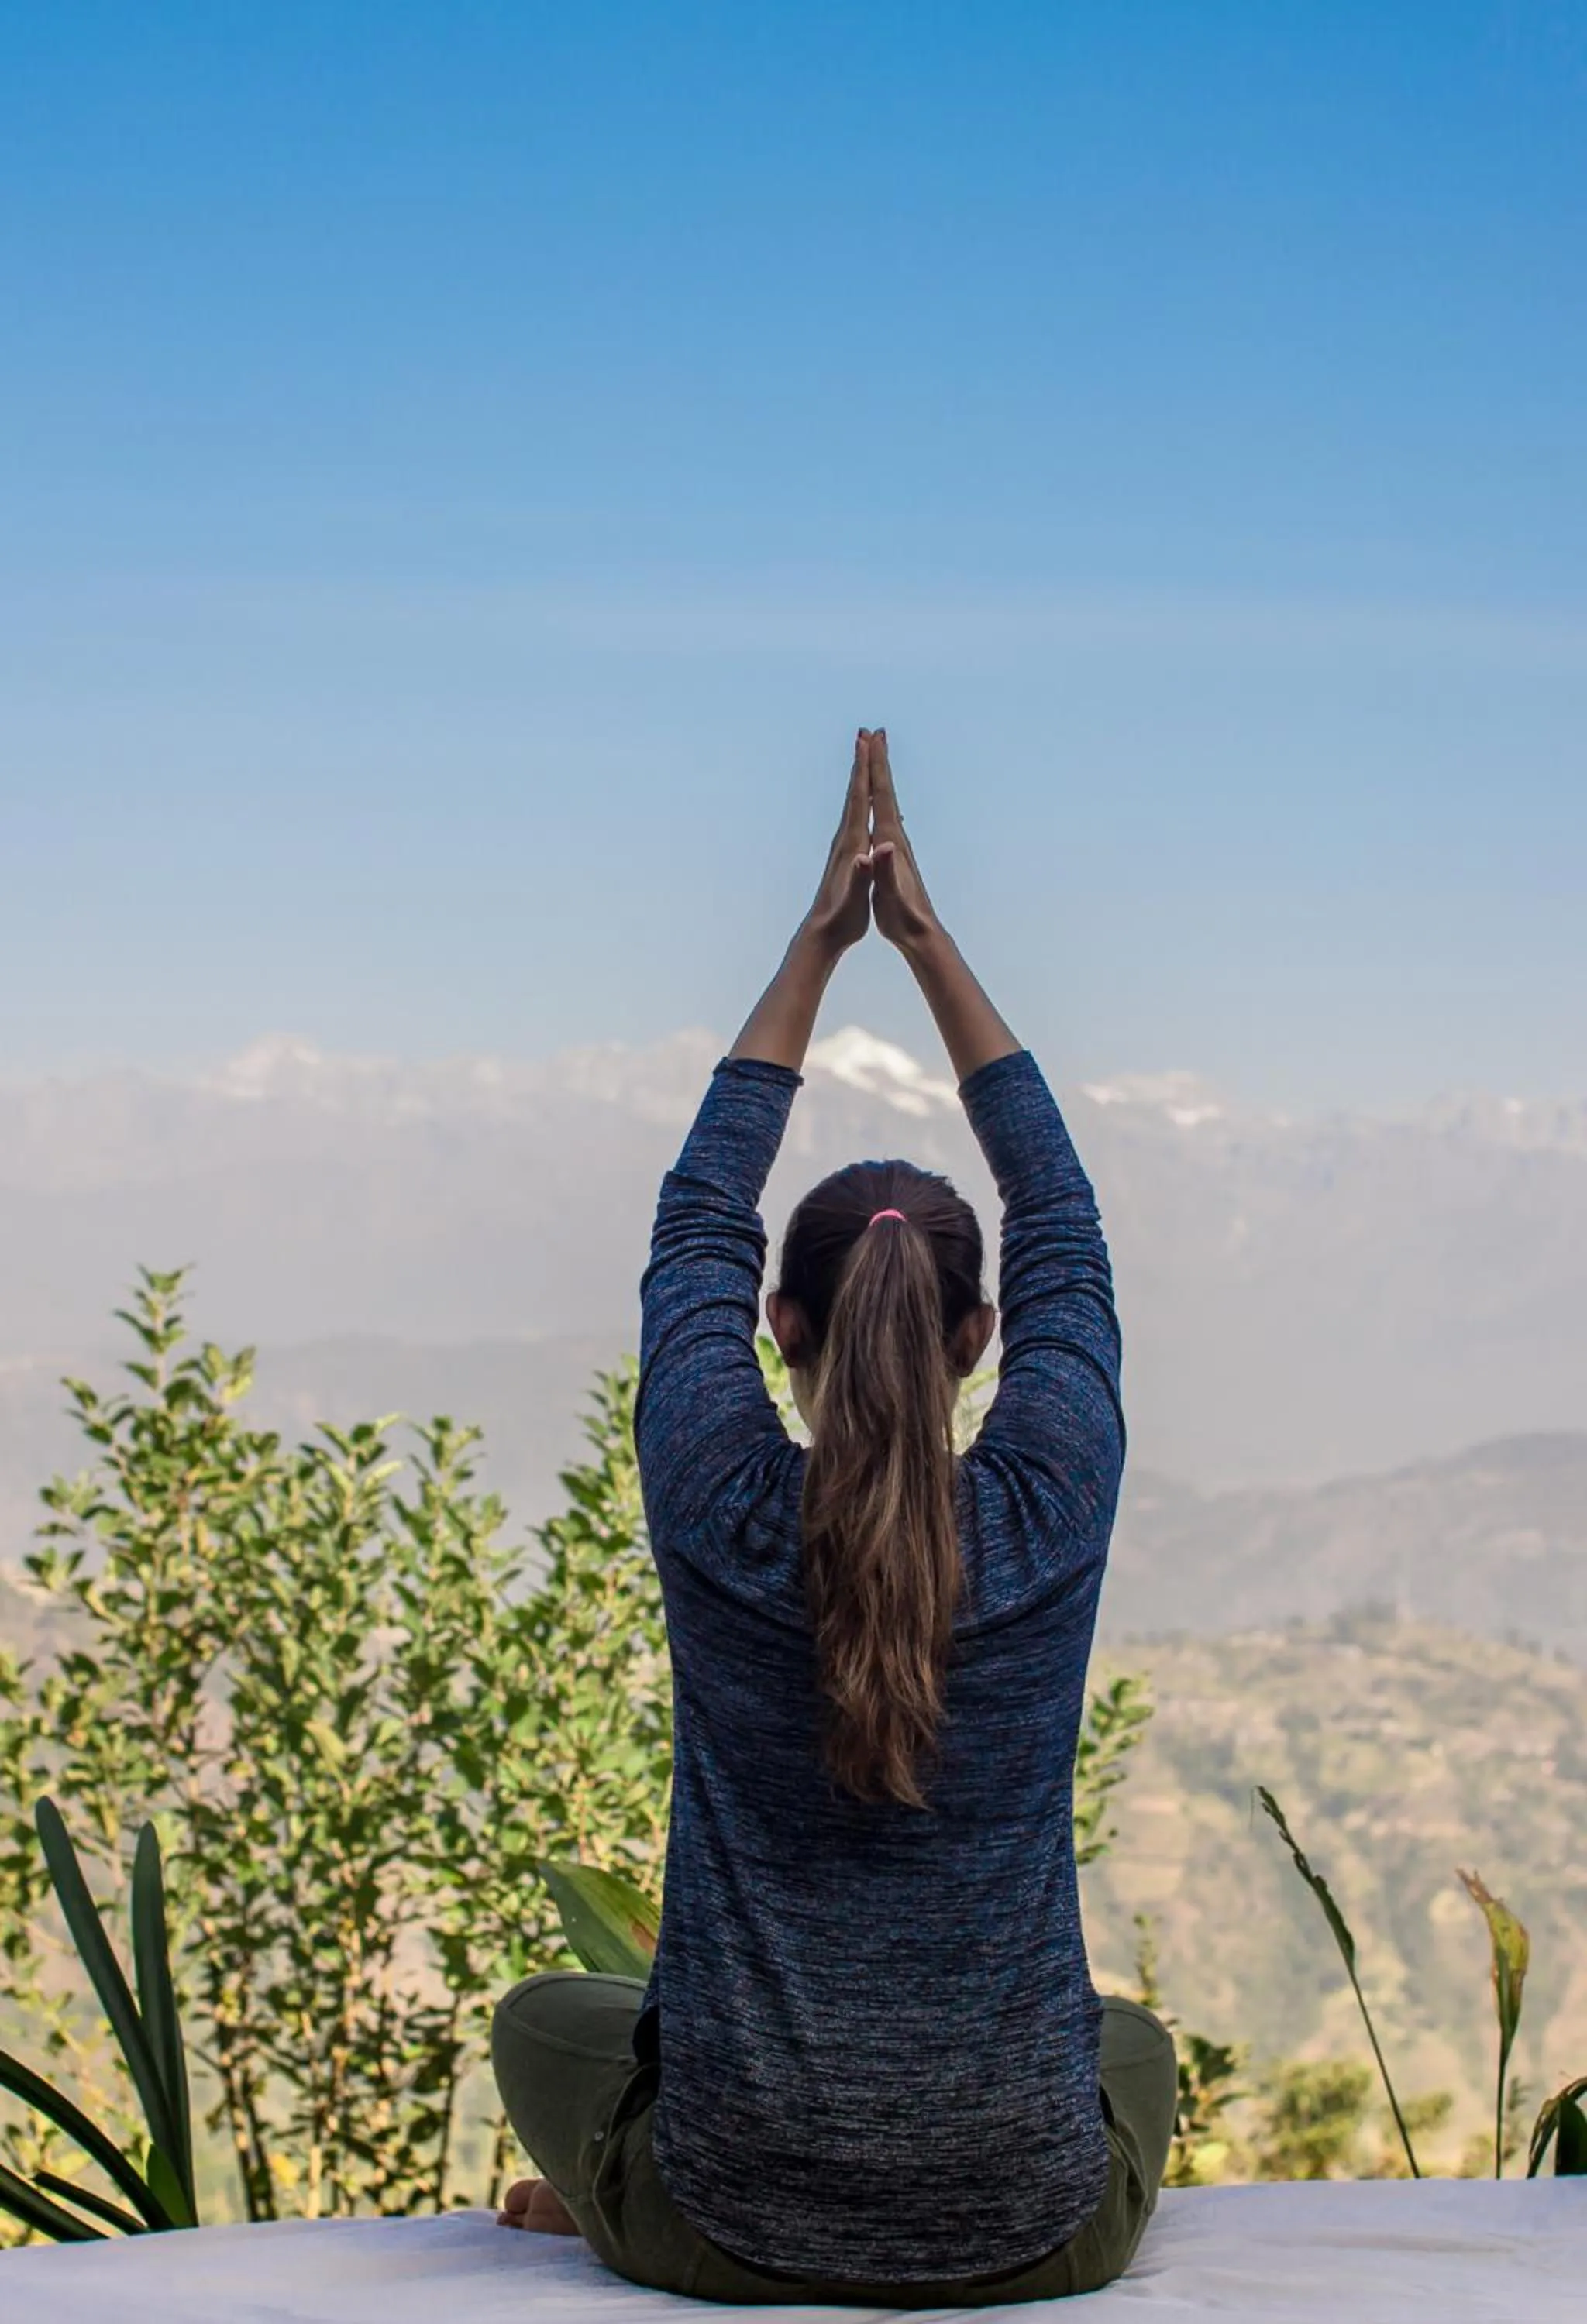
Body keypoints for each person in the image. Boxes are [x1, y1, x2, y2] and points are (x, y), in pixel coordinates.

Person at [491, 730, 1176, 2303]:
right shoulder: (1046, 1509)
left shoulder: (721, 1504)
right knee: (1122, 2042)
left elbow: (691, 1229)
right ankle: (634, 2189)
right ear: (978, 1343)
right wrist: (924, 942)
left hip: (730, 2232)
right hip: (1032, 2237)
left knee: (546, 2019)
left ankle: (606, 2199)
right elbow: (1062, 1222)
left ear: (778, 1332)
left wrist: (817, 942)